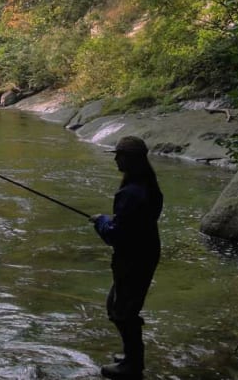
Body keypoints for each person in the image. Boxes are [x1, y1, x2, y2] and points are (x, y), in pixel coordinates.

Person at [90, 136, 163, 379]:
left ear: (130, 159)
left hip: (133, 259)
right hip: (145, 252)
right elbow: (134, 224)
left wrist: (101, 222)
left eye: (118, 154)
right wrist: (109, 221)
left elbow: (117, 235)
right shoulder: (148, 185)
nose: (115, 158)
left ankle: (133, 365)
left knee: (121, 310)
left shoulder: (131, 193)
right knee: (120, 306)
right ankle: (132, 357)